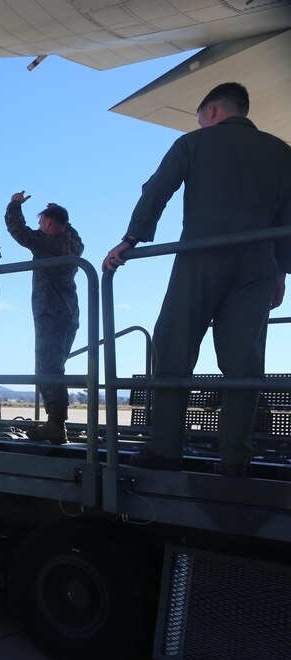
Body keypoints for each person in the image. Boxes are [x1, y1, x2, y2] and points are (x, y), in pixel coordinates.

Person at [104, 82, 291, 475]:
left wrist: (131, 240)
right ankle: (235, 459)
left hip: (202, 254)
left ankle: (167, 449)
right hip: (259, 260)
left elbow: (156, 191)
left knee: (173, 346)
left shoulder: (193, 144)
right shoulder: (281, 152)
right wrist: (281, 271)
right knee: (244, 362)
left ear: (212, 112)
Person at [5, 194, 84, 443]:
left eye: (41, 221)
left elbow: (18, 231)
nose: (39, 225)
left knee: (47, 369)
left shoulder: (45, 242)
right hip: (69, 314)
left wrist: (14, 204)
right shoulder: (72, 245)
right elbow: (77, 239)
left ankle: (55, 424)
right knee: (55, 368)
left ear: (49, 223)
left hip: (49, 314)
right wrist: (65, 219)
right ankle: (56, 422)